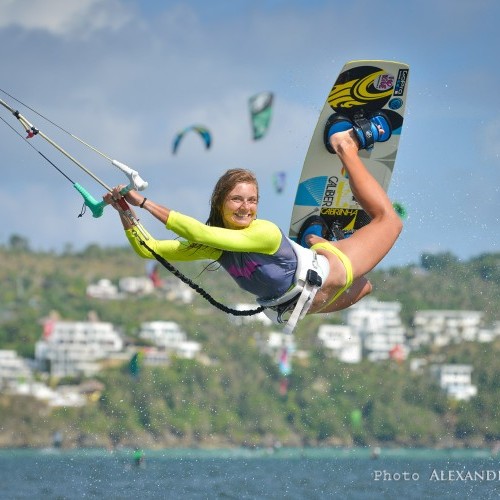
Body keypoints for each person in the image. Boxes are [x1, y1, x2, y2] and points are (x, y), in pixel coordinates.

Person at [104, 115, 402, 330]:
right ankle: (315, 238)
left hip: (331, 272)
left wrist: (142, 202)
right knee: (365, 288)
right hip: (302, 303)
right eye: (236, 199)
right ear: (220, 203)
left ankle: (345, 146)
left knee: (390, 222)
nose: (246, 207)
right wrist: (123, 212)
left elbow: (198, 231)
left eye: (252, 200)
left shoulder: (265, 233)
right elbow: (150, 248)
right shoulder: (215, 247)